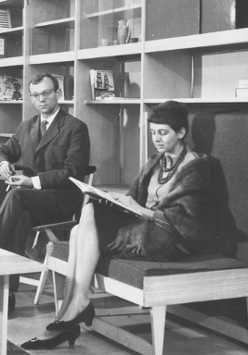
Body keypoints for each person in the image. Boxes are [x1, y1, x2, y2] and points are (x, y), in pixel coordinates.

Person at [21, 100, 218, 350]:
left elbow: (190, 222)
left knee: (88, 214)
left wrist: (141, 210)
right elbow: (134, 198)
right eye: (153, 132)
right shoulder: (155, 162)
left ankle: (76, 308)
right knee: (78, 226)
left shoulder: (195, 166)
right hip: (144, 228)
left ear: (181, 132)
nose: (156, 138)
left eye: (163, 132)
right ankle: (70, 310)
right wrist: (120, 202)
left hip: (170, 239)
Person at [0, 73, 90, 313]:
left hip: (61, 200)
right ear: (31, 97)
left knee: (16, 195)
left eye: (46, 93)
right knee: (18, 215)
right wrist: (3, 163)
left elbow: (73, 172)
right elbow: (4, 150)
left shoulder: (75, 128)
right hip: (29, 203)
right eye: (36, 95)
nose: (41, 99)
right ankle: (6, 297)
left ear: (58, 94)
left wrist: (32, 181)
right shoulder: (26, 126)